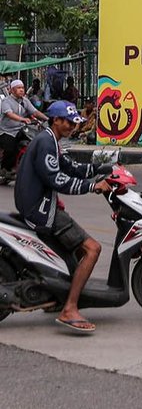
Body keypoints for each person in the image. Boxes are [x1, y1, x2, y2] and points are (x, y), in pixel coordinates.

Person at [14, 99, 112, 334]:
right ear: (56, 120)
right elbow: (56, 178)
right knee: (92, 249)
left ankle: (60, 294)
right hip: (41, 210)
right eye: (68, 122)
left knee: (74, 251)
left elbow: (71, 167)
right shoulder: (46, 142)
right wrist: (91, 187)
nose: (72, 126)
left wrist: (103, 168)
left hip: (40, 205)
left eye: (73, 122)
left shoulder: (51, 140)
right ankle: (69, 308)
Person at [0, 79, 48, 180]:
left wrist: (48, 119)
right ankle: (5, 169)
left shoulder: (25, 101)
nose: (21, 90)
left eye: (22, 88)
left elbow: (35, 112)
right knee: (10, 148)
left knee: (33, 141)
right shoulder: (6, 101)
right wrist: (23, 119)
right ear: (12, 90)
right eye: (19, 88)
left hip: (21, 129)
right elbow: (9, 114)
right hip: (7, 130)